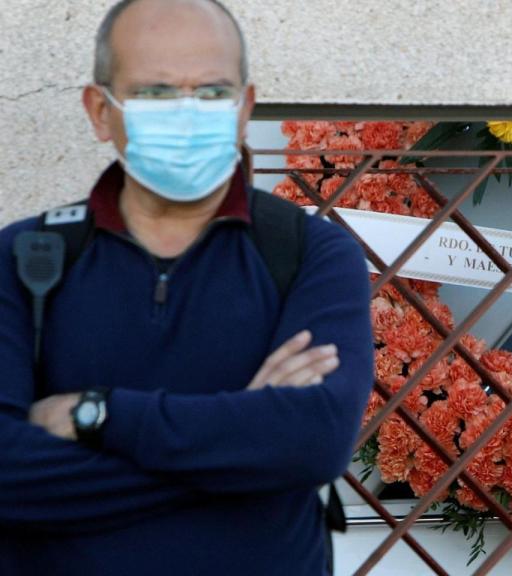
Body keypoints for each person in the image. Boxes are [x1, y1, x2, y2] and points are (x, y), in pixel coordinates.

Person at [0, 1, 374, 574]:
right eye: (155, 92)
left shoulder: (310, 253)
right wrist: (245, 448)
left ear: (244, 107)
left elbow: (315, 440)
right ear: (100, 111)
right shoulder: (24, 257)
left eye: (212, 91)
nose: (186, 113)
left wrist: (98, 415)